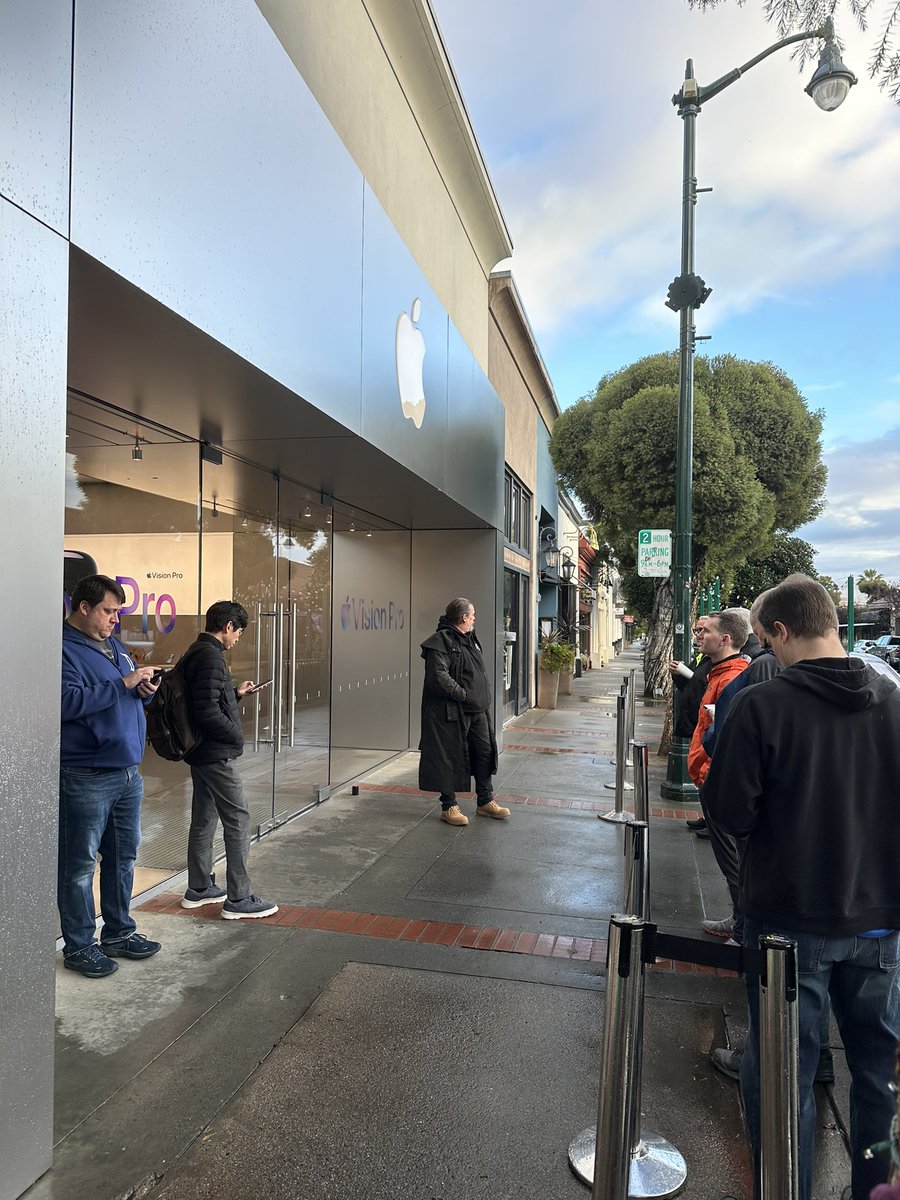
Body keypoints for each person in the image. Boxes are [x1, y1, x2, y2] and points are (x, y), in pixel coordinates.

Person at [704, 575, 900, 1200]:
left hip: (788, 919)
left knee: (781, 1076)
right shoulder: (895, 700)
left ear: (782, 631)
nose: (769, 653)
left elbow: (729, 812)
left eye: (768, 641)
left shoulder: (761, 705)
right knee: (880, 1075)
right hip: (881, 921)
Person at [60, 574, 163, 978]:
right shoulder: (61, 649)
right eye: (108, 611)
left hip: (126, 773)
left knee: (123, 857)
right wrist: (124, 683)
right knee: (79, 866)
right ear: (83, 607)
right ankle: (80, 946)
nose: (115, 619)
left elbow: (122, 692)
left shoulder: (114, 646)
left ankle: (119, 933)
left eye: (118, 612)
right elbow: (64, 703)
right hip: (85, 774)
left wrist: (142, 690)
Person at [179, 601, 278, 919]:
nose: (237, 639)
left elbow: (204, 699)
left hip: (201, 751)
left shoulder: (196, 651)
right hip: (214, 753)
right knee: (238, 818)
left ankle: (199, 887)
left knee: (204, 817)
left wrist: (234, 694)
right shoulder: (211, 656)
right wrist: (235, 735)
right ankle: (239, 897)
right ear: (228, 626)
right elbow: (206, 711)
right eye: (239, 632)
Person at [419, 597, 509, 826]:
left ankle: (485, 801)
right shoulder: (441, 641)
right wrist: (464, 695)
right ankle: (449, 806)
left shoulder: (470, 639)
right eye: (472, 615)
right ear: (463, 617)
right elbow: (438, 677)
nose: (474, 619)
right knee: (449, 758)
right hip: (452, 713)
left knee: (484, 753)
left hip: (478, 712)